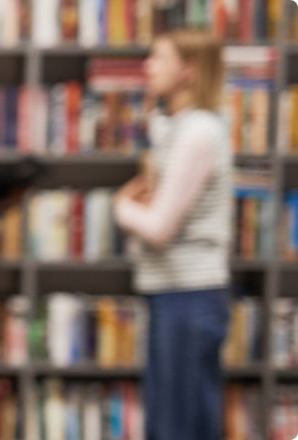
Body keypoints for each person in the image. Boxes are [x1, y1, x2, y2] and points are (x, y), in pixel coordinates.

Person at [113, 28, 231, 440]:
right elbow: (162, 138)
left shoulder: (197, 132)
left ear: (190, 70)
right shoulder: (183, 126)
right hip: (177, 294)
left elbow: (161, 228)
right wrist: (151, 109)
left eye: (159, 58)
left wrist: (122, 209)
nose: (147, 66)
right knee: (171, 421)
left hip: (188, 296)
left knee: (177, 427)